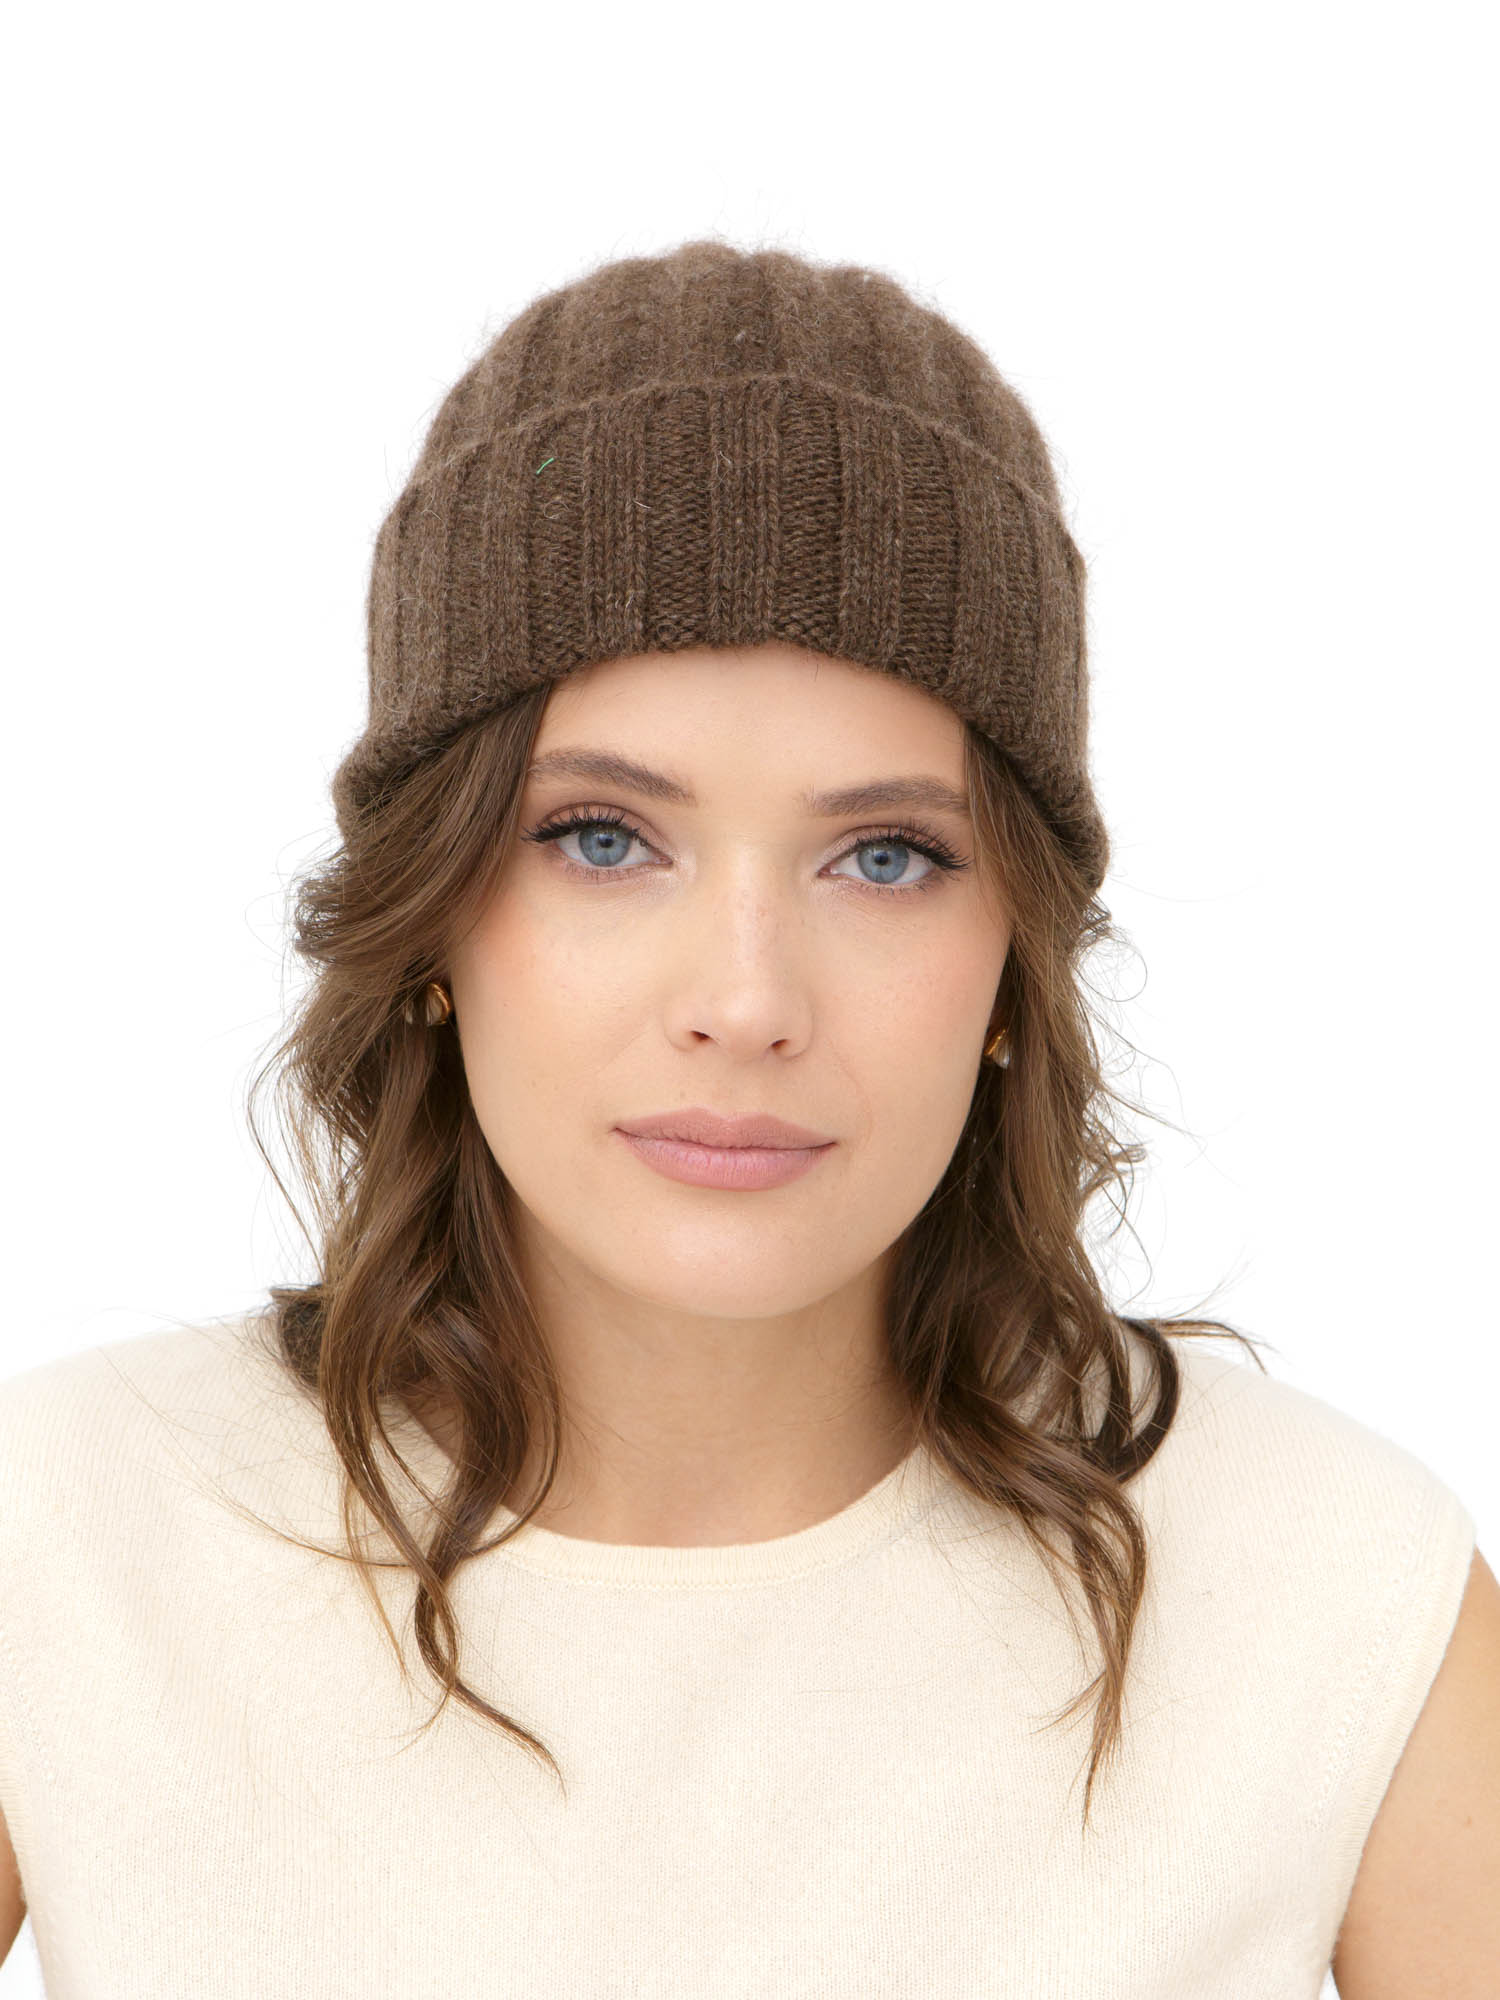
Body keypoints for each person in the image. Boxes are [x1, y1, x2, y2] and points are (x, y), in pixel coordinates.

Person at [1, 238, 1496, 1996]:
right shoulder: (70, 1540)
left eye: (888, 857)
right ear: (433, 923)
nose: (748, 998)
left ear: (1010, 964)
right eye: (603, 838)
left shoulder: (1339, 1600)